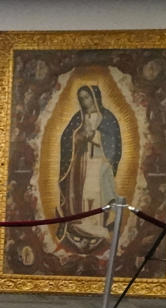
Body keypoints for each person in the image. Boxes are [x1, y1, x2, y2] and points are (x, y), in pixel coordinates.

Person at [57, 85, 122, 253]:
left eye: (87, 97)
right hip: (81, 163)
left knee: (96, 195)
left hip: (99, 163)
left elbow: (114, 142)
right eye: (82, 99)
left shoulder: (107, 117)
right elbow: (67, 138)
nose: (85, 102)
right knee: (81, 195)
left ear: (95, 97)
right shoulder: (78, 118)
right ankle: (85, 228)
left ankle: (97, 227)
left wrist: (94, 135)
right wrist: (79, 136)